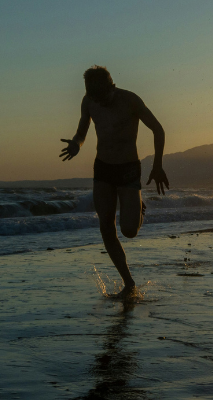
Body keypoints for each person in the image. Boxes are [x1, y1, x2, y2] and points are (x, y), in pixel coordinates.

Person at [59, 66, 169, 297]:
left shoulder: (130, 100)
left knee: (129, 231)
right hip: (103, 169)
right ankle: (129, 283)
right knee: (106, 228)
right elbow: (81, 134)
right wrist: (75, 144)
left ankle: (137, 207)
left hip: (128, 169)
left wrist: (157, 166)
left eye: (104, 97)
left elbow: (158, 129)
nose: (101, 103)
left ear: (112, 86)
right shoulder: (89, 102)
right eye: (95, 98)